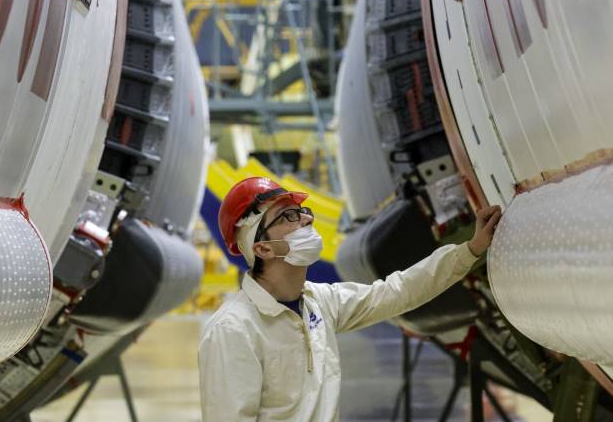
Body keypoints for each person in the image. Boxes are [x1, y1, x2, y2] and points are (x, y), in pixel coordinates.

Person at [198, 176, 503, 422]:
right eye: (288, 215)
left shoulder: (319, 302)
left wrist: (470, 250)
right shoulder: (234, 330)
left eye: (303, 212)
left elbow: (397, 292)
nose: (305, 221)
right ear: (263, 248)